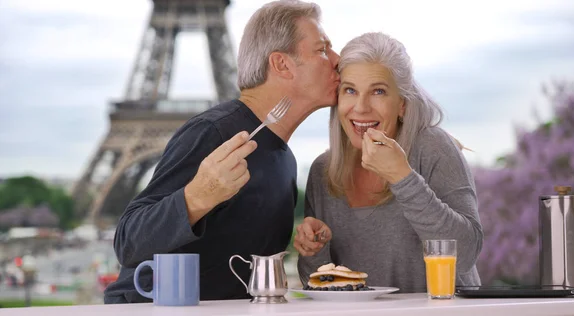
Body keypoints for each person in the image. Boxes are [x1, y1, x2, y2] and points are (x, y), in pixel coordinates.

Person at [104, 0, 340, 303]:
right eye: (322, 50)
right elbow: (128, 242)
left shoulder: (284, 159)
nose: (336, 59)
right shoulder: (213, 133)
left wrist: (309, 244)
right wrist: (197, 197)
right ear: (282, 64)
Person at [294, 32, 483, 292]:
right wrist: (314, 249)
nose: (360, 107)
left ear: (402, 104)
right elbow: (316, 283)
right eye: (350, 90)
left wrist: (403, 179)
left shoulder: (433, 148)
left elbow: (466, 255)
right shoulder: (322, 171)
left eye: (378, 91)